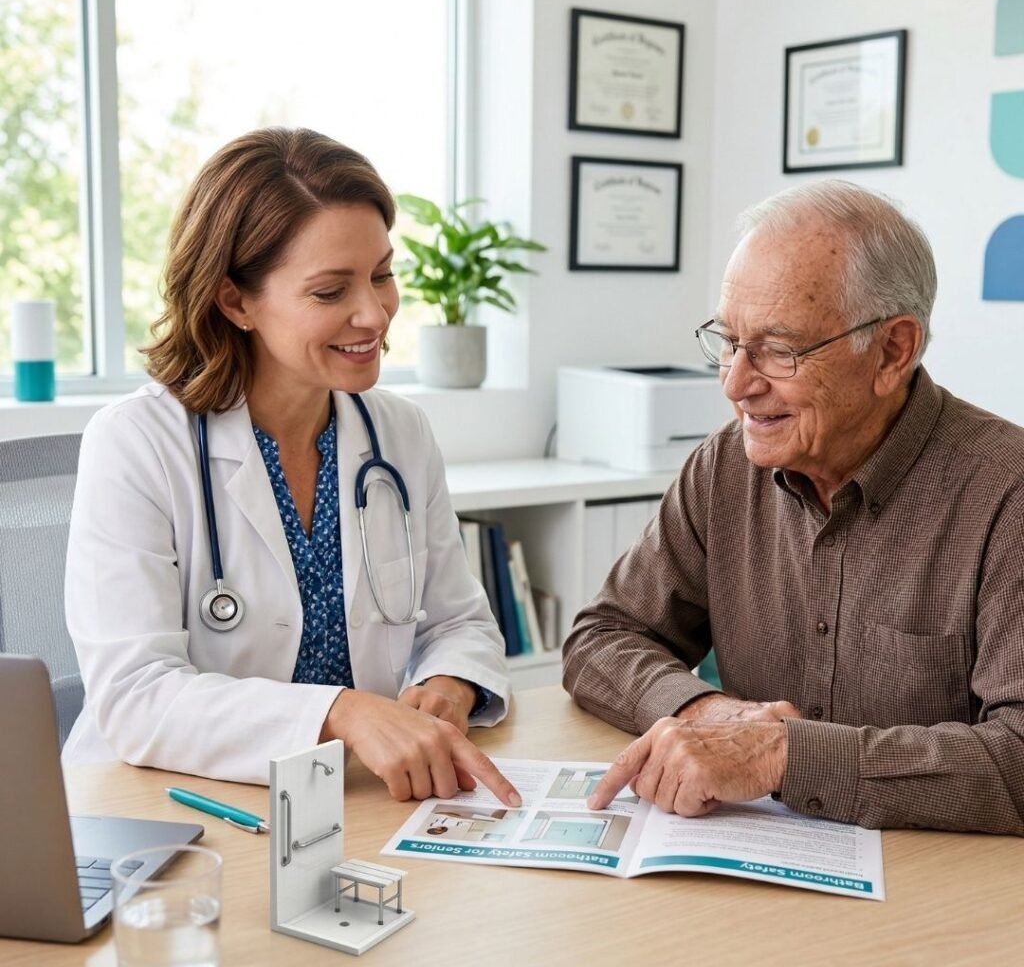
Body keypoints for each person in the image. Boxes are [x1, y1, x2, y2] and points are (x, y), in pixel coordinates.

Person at [63, 127, 520, 808]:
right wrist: (342, 712)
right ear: (234, 301)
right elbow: (136, 696)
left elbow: (458, 621)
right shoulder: (136, 444)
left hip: (357, 803)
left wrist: (450, 684)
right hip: (177, 808)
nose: (375, 313)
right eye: (331, 291)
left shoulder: (399, 434)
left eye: (382, 274)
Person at [563, 179, 1024, 836]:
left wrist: (786, 755)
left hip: (938, 902)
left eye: (780, 350)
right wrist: (706, 712)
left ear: (894, 350)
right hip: (753, 873)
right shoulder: (723, 467)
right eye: (728, 341)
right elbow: (602, 637)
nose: (736, 383)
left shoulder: (1008, 495)